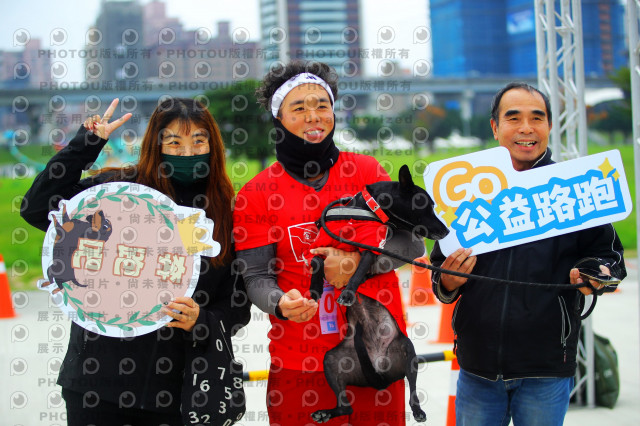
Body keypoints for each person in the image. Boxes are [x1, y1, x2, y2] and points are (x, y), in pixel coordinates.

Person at [21, 98, 251, 426]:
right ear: (156, 145)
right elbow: (37, 207)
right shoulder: (117, 192)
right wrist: (87, 144)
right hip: (96, 387)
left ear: (213, 146)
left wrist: (201, 321)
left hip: (176, 393)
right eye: (174, 142)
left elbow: (237, 304)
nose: (188, 153)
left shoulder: (224, 213)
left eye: (199, 141)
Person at [232, 60, 424, 425]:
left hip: (379, 353)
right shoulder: (256, 194)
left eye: (322, 105)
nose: (313, 116)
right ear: (278, 118)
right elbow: (256, 277)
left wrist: (357, 265)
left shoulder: (367, 172)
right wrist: (280, 304)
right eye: (298, 108)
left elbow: (413, 245)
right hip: (300, 364)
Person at [430, 82, 627, 426]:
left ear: (549, 126)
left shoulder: (573, 190)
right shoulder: (466, 192)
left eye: (537, 118)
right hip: (477, 367)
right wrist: (447, 280)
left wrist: (593, 273)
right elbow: (439, 269)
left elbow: (610, 258)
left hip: (546, 369)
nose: (526, 128)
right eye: (513, 118)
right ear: (495, 127)